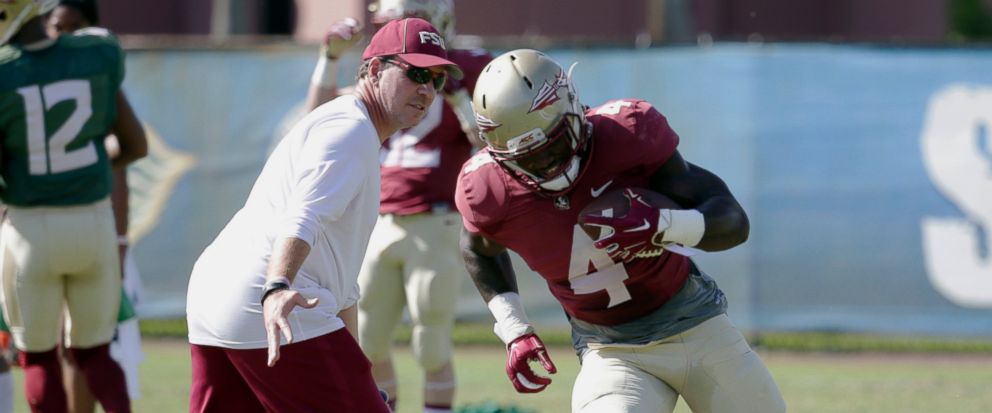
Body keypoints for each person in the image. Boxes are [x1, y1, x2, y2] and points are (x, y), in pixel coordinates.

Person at [455, 49, 786, 413]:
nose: (547, 168)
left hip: (698, 324)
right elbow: (477, 248)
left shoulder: (627, 135)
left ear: (574, 109)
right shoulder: (489, 188)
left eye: (555, 146)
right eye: (527, 159)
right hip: (609, 350)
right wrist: (514, 327)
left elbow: (733, 223)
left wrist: (664, 226)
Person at [184, 17, 462, 413]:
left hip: (215, 293)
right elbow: (304, 215)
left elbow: (342, 288)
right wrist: (277, 285)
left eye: (436, 79)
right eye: (416, 72)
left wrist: (356, 375)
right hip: (268, 296)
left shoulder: (350, 124)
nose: (427, 90)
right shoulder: (352, 130)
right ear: (375, 69)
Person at [304, 1, 491, 411]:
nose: (391, 30)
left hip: (436, 220)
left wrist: (472, 120)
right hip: (378, 221)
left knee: (432, 341)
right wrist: (328, 60)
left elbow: (496, 140)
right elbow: (320, 116)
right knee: (366, 340)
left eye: (432, 77)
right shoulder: (383, 71)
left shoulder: (469, 69)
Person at [0, 0, 148, 411]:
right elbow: (136, 145)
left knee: (39, 357)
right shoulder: (95, 55)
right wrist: (90, 170)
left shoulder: (5, 71)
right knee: (95, 354)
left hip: (29, 230)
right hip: (92, 223)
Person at [45, 1, 146, 411]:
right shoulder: (26, 74)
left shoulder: (96, 81)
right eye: (56, 26)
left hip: (91, 233)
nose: (64, 36)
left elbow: (123, 155)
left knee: (82, 345)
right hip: (37, 233)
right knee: (51, 347)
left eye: (75, 26)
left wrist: (120, 241)